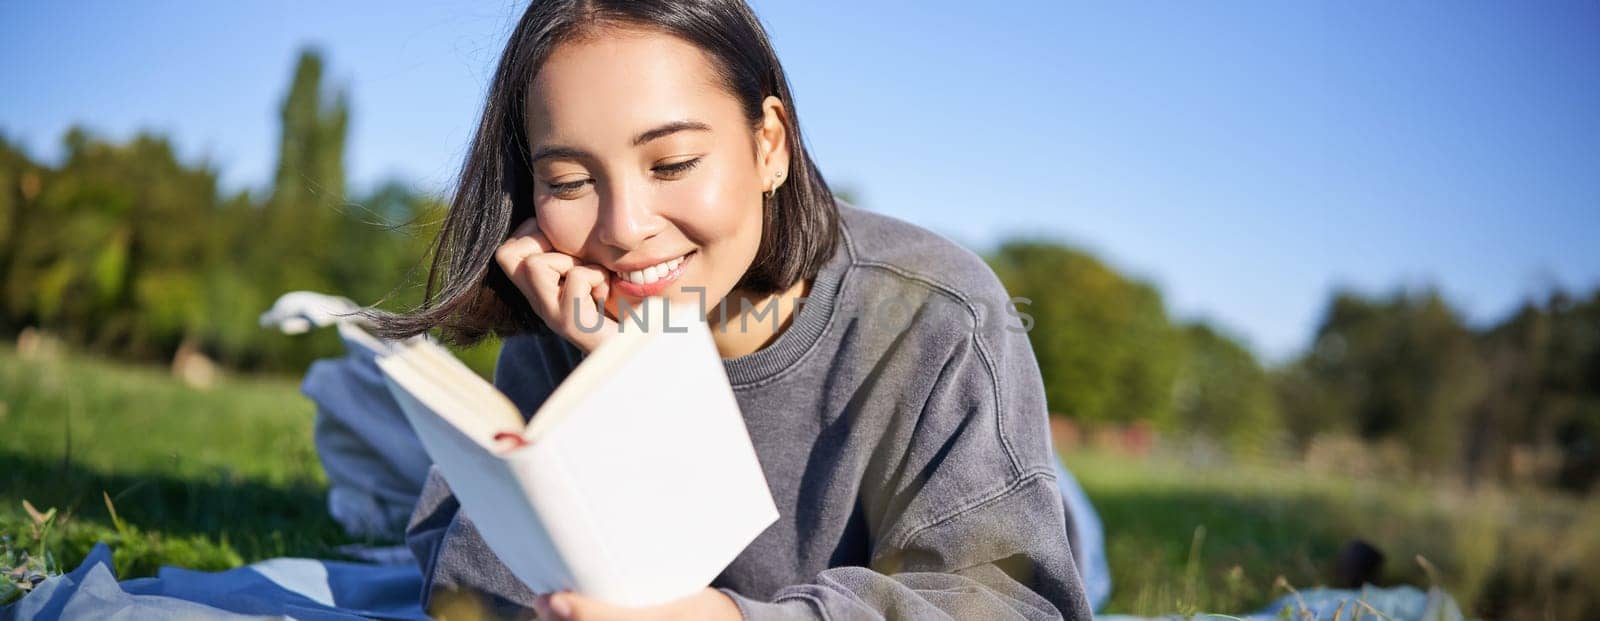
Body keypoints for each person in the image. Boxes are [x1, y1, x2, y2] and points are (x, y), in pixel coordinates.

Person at [366, 1, 1096, 619]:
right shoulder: (572, 303)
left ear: (769, 144)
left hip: (986, 492)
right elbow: (465, 584)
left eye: (673, 163)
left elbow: (1010, 597)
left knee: (1058, 513)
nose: (622, 227)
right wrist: (623, 381)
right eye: (569, 179)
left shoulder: (937, 312)